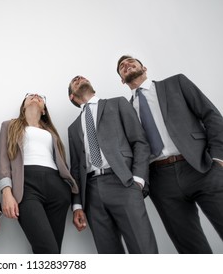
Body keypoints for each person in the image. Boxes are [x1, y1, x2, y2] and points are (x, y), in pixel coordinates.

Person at [116, 55, 223, 253]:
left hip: (202, 167)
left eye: (131, 61)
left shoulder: (176, 83)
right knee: (191, 249)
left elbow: (211, 115)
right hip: (162, 182)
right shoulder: (126, 110)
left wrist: (218, 158)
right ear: (122, 79)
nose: (126, 65)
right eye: (121, 67)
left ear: (144, 67)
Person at [67, 76, 158, 254]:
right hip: (91, 192)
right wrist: (77, 205)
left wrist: (138, 179)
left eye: (81, 77)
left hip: (123, 182)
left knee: (142, 247)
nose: (78, 78)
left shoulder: (117, 104)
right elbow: (76, 169)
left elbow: (139, 141)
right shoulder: (73, 128)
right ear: (72, 96)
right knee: (108, 253)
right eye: (74, 81)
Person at [0, 93, 78, 254]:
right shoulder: (9, 125)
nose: (35, 96)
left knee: (54, 251)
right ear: (23, 106)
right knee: (46, 249)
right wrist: (6, 192)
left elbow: (62, 163)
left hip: (57, 188)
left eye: (40, 97)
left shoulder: (52, 133)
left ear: (43, 111)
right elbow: (3, 161)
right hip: (26, 186)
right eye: (30, 95)